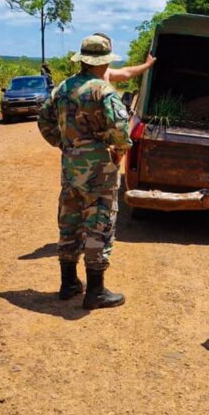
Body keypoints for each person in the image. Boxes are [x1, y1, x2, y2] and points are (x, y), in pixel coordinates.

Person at [37, 34, 132, 310]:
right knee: (98, 222)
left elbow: (43, 120)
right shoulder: (103, 91)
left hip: (70, 168)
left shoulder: (63, 88)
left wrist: (65, 144)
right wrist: (120, 149)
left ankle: (68, 284)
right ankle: (96, 292)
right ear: (102, 62)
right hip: (99, 170)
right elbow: (121, 131)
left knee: (70, 220)